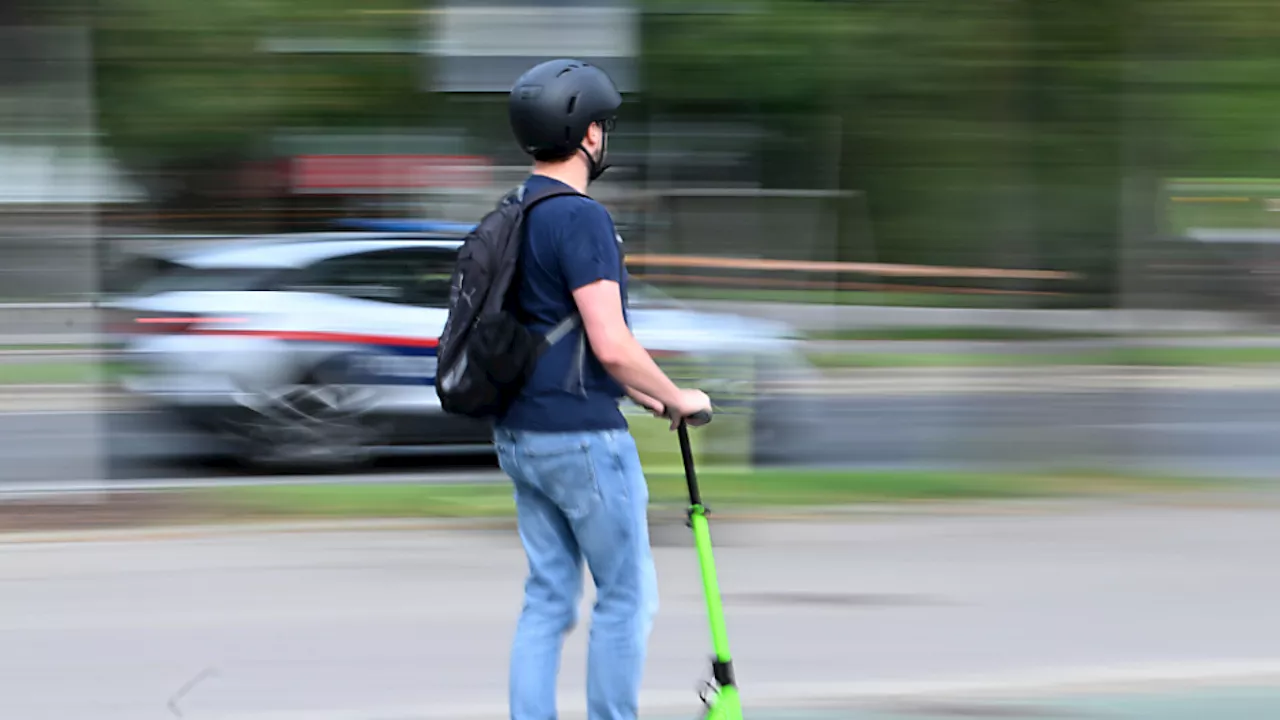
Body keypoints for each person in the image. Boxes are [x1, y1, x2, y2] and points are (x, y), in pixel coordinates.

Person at [494, 58, 713, 720]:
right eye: (603, 125)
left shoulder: (513, 211)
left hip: (519, 433)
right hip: (582, 441)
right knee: (625, 595)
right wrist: (677, 397)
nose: (604, 136)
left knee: (548, 596)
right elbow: (612, 341)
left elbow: (550, 328)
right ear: (588, 133)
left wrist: (638, 391)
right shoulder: (581, 218)